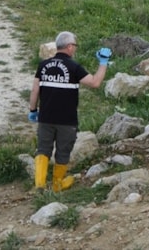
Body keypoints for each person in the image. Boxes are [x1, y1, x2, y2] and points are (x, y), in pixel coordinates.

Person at [28, 31, 112, 192]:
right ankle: (57, 184)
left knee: (43, 149)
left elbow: (34, 90)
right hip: (67, 120)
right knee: (63, 151)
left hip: (46, 117)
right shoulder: (74, 67)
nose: (75, 49)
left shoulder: (43, 65)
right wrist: (103, 63)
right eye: (75, 46)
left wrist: (33, 110)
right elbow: (95, 83)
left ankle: (39, 184)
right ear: (69, 46)